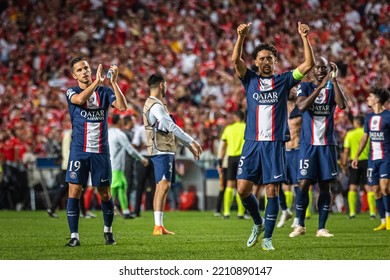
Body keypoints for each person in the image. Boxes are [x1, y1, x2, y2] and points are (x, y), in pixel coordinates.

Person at [232, 21, 315, 250]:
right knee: (242, 190)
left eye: (270, 58)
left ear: (274, 61)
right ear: (256, 62)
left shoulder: (284, 80)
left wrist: (304, 37)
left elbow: (309, 64)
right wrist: (241, 37)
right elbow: (235, 61)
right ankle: (257, 223)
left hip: (274, 144)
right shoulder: (249, 79)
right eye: (262, 58)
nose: (266, 61)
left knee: (272, 191)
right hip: (252, 143)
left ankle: (267, 238)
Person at [64, 57, 128, 247]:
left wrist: (114, 83)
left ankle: (108, 232)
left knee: (105, 194)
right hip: (79, 151)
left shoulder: (105, 91)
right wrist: (96, 83)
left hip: (100, 151)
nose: (85, 71)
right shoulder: (71, 91)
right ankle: (74, 236)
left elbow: (123, 107)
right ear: (74, 75)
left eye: (86, 68)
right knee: (74, 190)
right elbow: (81, 99)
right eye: (80, 70)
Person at [289, 57, 347, 238]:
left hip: (327, 144)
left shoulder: (332, 87)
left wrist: (334, 81)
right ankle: (300, 224)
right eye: (318, 68)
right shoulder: (305, 87)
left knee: (324, 186)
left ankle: (321, 227)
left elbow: (342, 105)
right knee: (303, 183)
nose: (321, 71)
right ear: (313, 70)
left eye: (325, 68)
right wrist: (320, 87)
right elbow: (302, 106)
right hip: (308, 145)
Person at [143, 73, 202, 235]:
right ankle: (157, 226)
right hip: (161, 148)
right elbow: (171, 127)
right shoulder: (156, 106)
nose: (167, 87)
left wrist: (187, 144)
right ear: (161, 85)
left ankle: (158, 225)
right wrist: (191, 141)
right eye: (166, 84)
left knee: (161, 186)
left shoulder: (155, 104)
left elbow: (169, 129)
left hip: (162, 148)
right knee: (164, 185)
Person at [352, 88, 390, 231]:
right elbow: (364, 138)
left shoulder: (388, 116)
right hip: (372, 159)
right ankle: (382, 221)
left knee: (385, 186)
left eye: (370, 96)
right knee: (376, 190)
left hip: (386, 157)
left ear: (378, 100)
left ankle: (388, 218)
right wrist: (356, 156)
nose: (367, 98)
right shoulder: (368, 117)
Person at [108, 114, 149, 219]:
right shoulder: (119, 134)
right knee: (114, 188)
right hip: (116, 166)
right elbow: (130, 149)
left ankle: (125, 211)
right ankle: (108, 209)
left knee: (122, 186)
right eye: (121, 120)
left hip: (111, 164)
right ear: (118, 122)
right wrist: (141, 158)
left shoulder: (108, 133)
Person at [341, 115, 375, 219]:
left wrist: (343, 163)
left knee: (353, 186)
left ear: (356, 123)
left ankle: (352, 213)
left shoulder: (350, 134)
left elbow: (346, 150)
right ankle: (372, 213)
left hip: (354, 162)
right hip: (367, 161)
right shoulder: (367, 134)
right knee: (368, 187)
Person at [216, 110, 247, 219]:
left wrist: (220, 159)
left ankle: (227, 212)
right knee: (240, 185)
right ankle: (240, 213)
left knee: (229, 185)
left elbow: (223, 145)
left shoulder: (229, 129)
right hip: (243, 158)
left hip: (231, 158)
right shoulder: (246, 127)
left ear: (235, 117)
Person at [277, 95, 301, 228]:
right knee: (276, 182)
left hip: (297, 150)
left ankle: (298, 216)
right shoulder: (279, 110)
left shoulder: (300, 109)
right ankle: (285, 211)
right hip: (283, 151)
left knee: (299, 185)